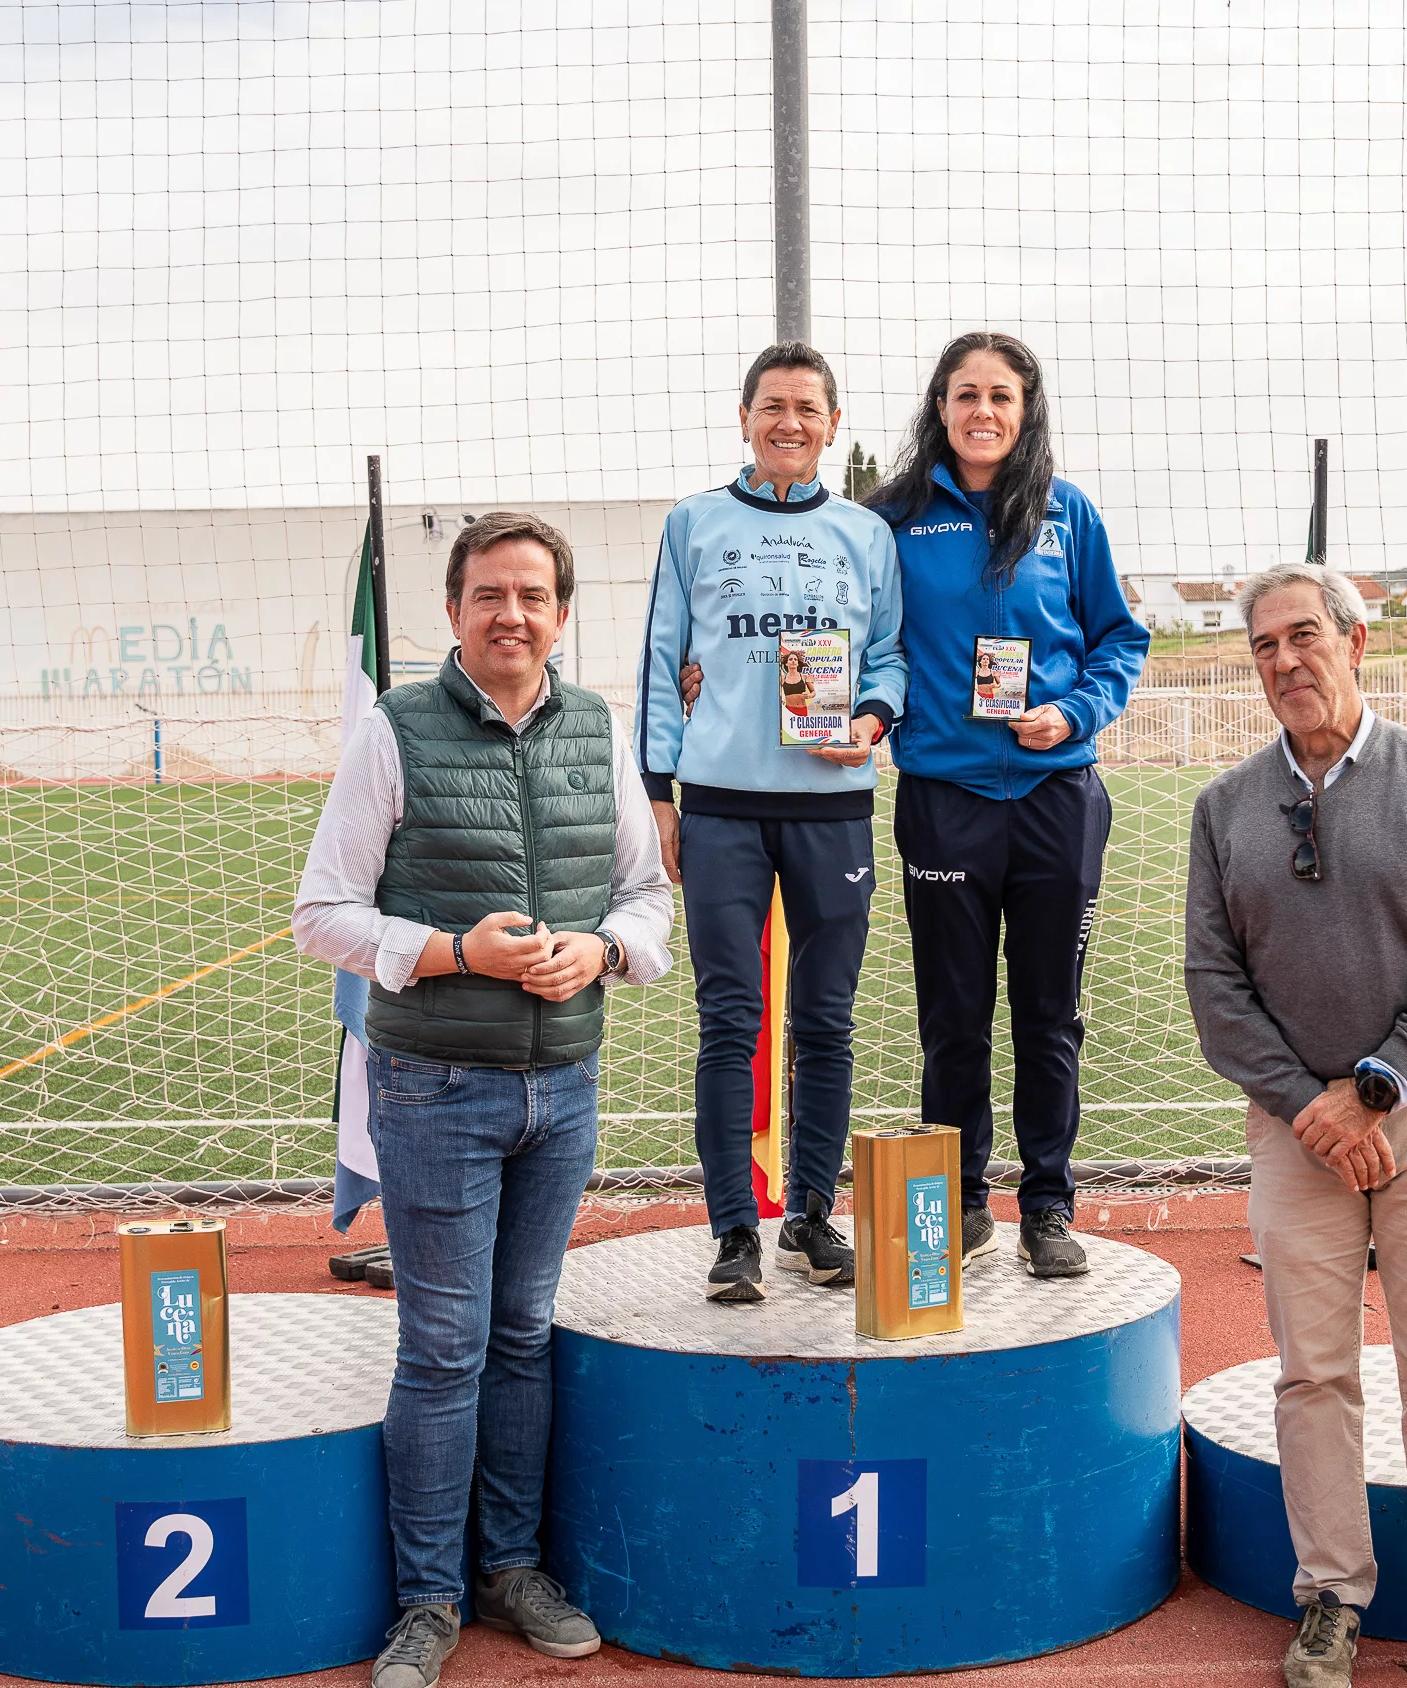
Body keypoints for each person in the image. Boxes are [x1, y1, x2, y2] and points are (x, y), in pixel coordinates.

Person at [292, 512, 675, 1688]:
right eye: (489, 594)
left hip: (562, 1084)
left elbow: (648, 900)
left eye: (534, 595)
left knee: (522, 1334)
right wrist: (461, 950)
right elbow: (322, 915)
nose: (513, 614)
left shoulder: (599, 725)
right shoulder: (393, 732)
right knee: (445, 1343)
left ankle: (510, 1565)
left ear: (562, 612)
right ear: (453, 611)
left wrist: (600, 954)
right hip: (430, 1083)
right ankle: (427, 1597)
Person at [1182, 560, 1407, 1688]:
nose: (1286, 661)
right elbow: (1215, 987)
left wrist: (1371, 1089)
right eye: (1264, 647)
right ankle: (1332, 1595)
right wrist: (1309, 1108)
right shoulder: (1225, 807)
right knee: (1313, 1371)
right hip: (1297, 1129)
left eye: (1303, 636)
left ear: (1357, 640)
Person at [862, 331, 1149, 1277]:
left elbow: (1119, 640)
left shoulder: (1068, 515)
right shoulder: (894, 519)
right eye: (964, 395)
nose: (983, 411)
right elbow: (851, 638)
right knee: (951, 1013)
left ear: (1026, 412)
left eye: (1002, 396)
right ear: (938, 408)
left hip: (1054, 797)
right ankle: (957, 1201)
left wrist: (1072, 713)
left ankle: (1049, 1206)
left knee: (1048, 1012)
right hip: (945, 797)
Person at [641, 342, 906, 1302]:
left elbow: (890, 655)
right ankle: (731, 1232)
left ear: (833, 424)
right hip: (720, 810)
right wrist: (661, 795)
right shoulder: (693, 524)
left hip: (832, 807)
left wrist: (872, 719)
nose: (789, 423)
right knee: (730, 1020)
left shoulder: (865, 536)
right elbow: (662, 656)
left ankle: (809, 1219)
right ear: (744, 418)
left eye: (808, 408)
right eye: (772, 406)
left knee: (826, 1020)